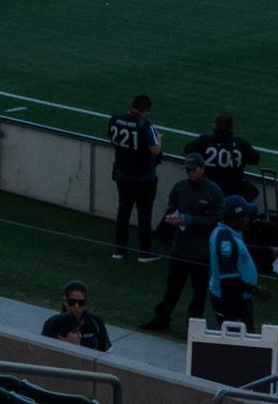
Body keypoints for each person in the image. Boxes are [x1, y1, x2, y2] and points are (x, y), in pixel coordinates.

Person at [141, 152, 223, 332]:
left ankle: (193, 326)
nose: (190, 173)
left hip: (200, 252)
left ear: (202, 169)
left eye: (193, 170)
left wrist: (189, 220)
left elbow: (216, 221)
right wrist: (173, 218)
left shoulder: (213, 192)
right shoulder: (179, 188)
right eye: (187, 170)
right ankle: (162, 318)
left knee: (199, 291)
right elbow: (172, 207)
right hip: (180, 248)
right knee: (173, 287)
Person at [106, 94, 161, 260]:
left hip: (123, 174)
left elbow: (112, 138)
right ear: (145, 111)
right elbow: (155, 151)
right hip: (144, 177)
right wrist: (159, 139)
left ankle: (120, 249)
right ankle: (145, 252)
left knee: (123, 211)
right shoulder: (145, 125)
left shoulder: (115, 119)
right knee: (144, 214)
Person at [207, 196, 264, 330]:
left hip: (237, 298)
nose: (247, 219)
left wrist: (268, 251)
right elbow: (229, 281)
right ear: (234, 218)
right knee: (237, 343)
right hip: (230, 301)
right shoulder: (225, 240)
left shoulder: (230, 234)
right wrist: (255, 290)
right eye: (245, 216)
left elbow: (242, 251)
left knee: (243, 340)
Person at [187, 112, 259, 200]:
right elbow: (255, 159)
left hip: (206, 189)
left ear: (215, 125)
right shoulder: (240, 143)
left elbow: (187, 152)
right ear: (232, 127)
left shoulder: (204, 140)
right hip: (233, 190)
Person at [40, 281, 113, 352]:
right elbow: (42, 350)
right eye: (72, 302)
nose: (76, 306)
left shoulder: (97, 323)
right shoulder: (51, 323)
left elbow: (104, 353)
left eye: (81, 303)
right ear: (65, 301)